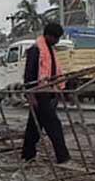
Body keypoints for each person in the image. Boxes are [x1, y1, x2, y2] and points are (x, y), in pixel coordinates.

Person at [21, 22, 71, 164]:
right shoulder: (36, 50)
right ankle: (63, 156)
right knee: (54, 126)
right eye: (56, 38)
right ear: (48, 35)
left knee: (34, 127)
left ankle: (27, 154)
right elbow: (29, 75)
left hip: (49, 92)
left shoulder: (50, 50)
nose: (57, 41)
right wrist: (31, 96)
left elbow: (55, 72)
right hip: (39, 93)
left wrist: (60, 91)